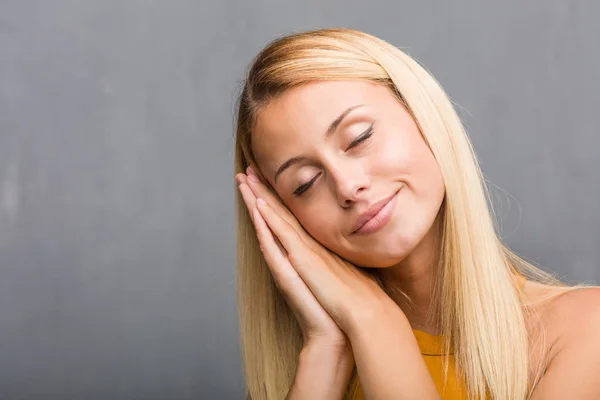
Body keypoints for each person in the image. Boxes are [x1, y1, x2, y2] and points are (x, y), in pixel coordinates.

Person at [232, 28, 600, 399]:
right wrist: (326, 350)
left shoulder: (585, 331)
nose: (347, 186)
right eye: (305, 183)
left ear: (423, 114)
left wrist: (376, 322)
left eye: (359, 138)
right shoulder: (300, 373)